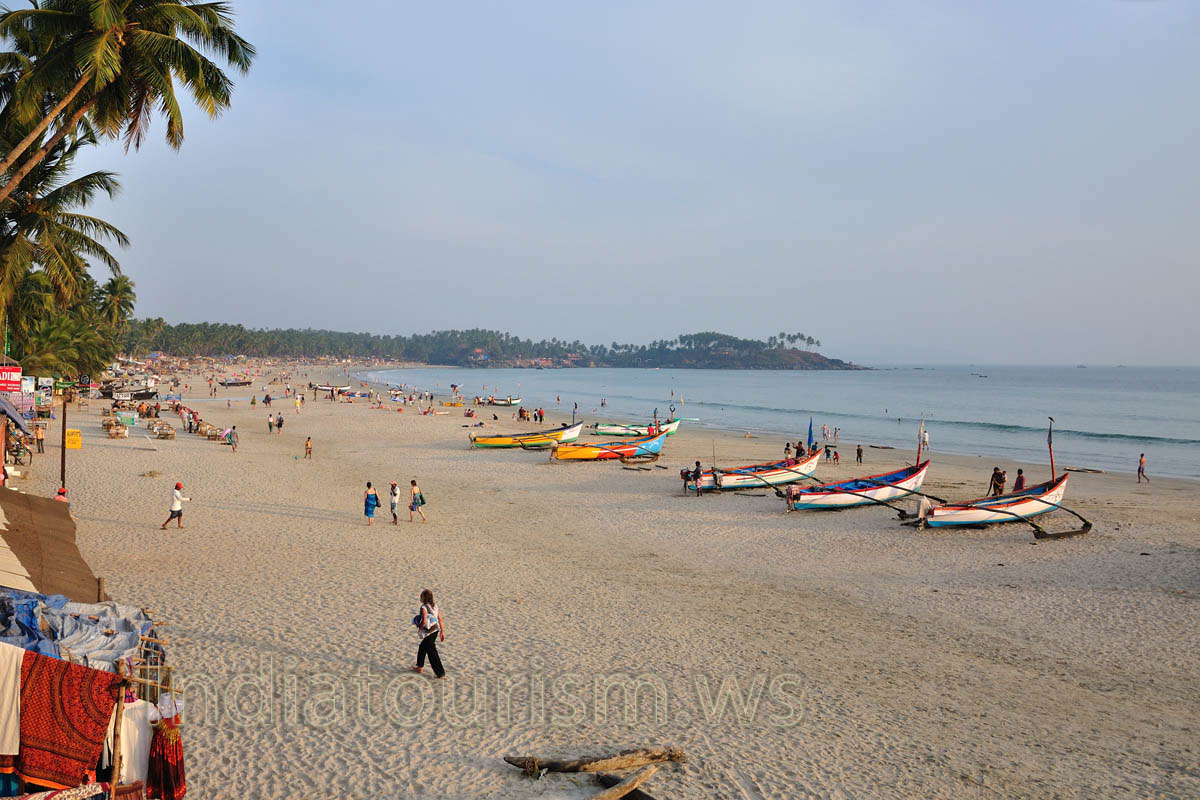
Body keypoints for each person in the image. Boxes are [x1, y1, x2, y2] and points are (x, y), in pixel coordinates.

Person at [412, 589, 445, 678]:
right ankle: (419, 667)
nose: (420, 596)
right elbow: (440, 619)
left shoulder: (424, 607)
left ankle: (441, 674)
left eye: (421, 595)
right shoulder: (435, 606)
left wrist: (420, 629)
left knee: (432, 652)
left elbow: (424, 621)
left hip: (429, 631)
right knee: (423, 647)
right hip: (436, 630)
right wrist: (442, 631)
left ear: (424, 597)